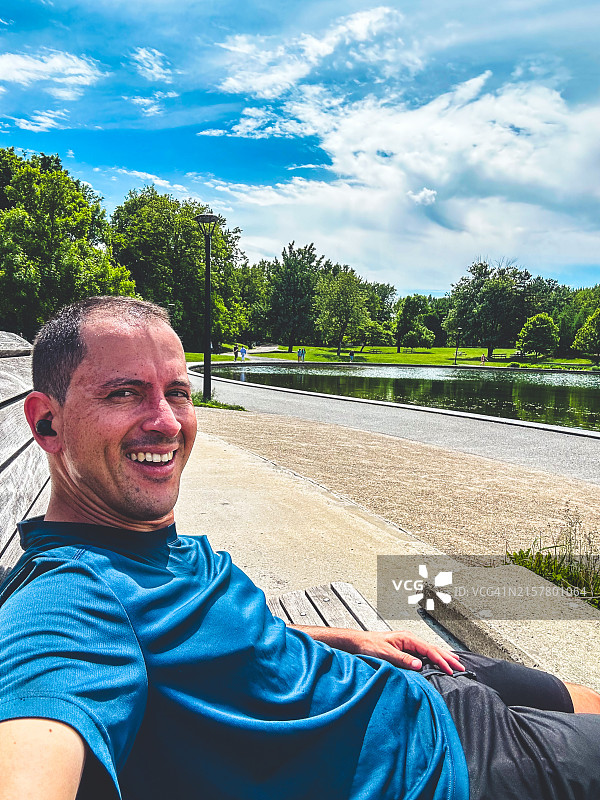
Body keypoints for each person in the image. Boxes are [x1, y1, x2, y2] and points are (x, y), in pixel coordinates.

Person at [1, 296, 599, 800]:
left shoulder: (137, 543)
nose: (167, 421)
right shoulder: (72, 600)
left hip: (406, 681)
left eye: (177, 392)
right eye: (125, 393)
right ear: (46, 423)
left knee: (575, 696)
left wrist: (342, 639)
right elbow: (34, 740)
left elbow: (213, 645)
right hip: (443, 763)